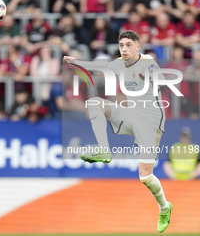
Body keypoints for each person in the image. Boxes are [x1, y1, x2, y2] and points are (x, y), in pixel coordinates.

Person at [63, 30, 172, 233]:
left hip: (151, 122)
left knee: (145, 177)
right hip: (131, 116)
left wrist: (147, 76)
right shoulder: (118, 64)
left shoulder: (147, 61)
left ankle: (164, 207)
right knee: (94, 103)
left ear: (138, 47)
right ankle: (104, 150)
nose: (124, 49)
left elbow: (161, 78)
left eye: (129, 45)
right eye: (122, 45)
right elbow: (99, 67)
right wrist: (78, 62)